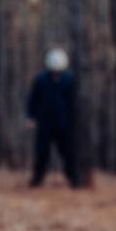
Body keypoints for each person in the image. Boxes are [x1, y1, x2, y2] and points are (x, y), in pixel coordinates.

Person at [26, 47, 77, 187]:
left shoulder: (70, 79)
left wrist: (74, 121)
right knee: (42, 152)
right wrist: (31, 117)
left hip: (64, 123)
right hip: (45, 122)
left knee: (67, 152)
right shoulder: (41, 79)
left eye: (58, 70)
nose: (56, 72)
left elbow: (74, 102)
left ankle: (73, 179)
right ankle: (37, 179)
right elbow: (33, 100)